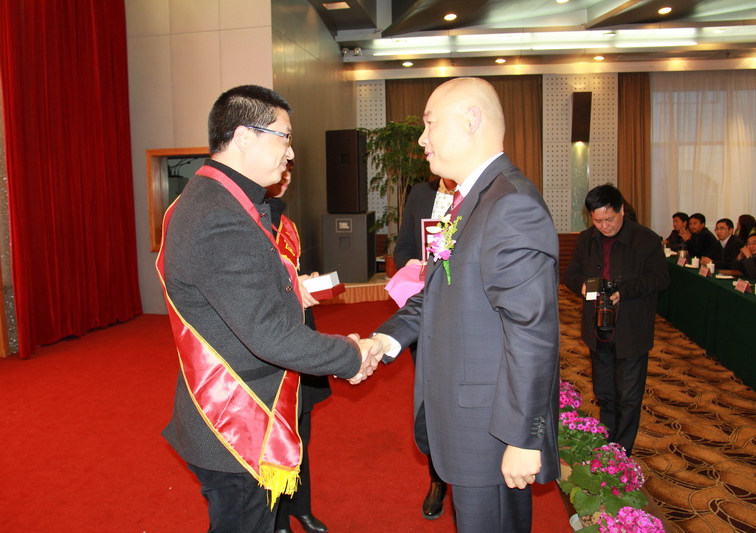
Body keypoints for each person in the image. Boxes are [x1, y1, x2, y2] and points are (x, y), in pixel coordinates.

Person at [156, 85, 378, 533]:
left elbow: (235, 293)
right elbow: (268, 334)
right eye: (284, 137)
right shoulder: (219, 216)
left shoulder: (213, 198)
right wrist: (352, 355)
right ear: (244, 137)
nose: (290, 152)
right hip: (235, 420)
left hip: (236, 408)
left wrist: (292, 288)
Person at [364, 78, 561, 533]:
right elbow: (438, 293)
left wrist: (523, 438)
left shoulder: (510, 204)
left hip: (492, 429)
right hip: (468, 420)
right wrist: (383, 341)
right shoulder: (471, 199)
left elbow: (533, 331)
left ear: (471, 121)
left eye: (430, 123)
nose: (422, 139)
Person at [563, 184, 669, 457]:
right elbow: (570, 274)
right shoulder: (587, 239)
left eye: (609, 219)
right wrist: (583, 286)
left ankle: (622, 453)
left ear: (622, 209)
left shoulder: (646, 239)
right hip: (598, 328)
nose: (604, 226)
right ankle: (607, 444)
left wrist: (625, 290)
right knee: (605, 393)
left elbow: (660, 279)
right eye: (597, 221)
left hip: (631, 329)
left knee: (629, 397)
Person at [266, 160, 329, 533]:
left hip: (300, 334)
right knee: (273, 437)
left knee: (302, 432)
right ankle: (276, 519)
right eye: (280, 167)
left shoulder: (287, 224)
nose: (286, 175)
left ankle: (300, 507)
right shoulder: (247, 222)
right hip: (269, 341)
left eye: (290, 169)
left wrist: (305, 281)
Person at [392, 176, 457, 519]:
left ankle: (465, 474)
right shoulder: (421, 193)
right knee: (431, 400)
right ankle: (437, 479)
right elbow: (402, 246)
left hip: (465, 317)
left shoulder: (477, 191)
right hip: (424, 312)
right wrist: (411, 266)